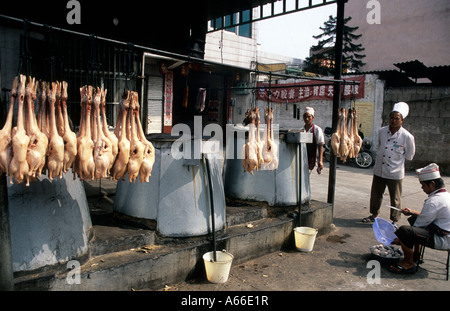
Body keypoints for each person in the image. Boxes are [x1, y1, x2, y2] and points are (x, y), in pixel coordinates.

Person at [389, 163, 450, 274]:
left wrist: (400, 239)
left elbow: (420, 225)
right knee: (413, 218)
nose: (422, 188)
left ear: (432, 184)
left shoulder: (434, 201)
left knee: (404, 231)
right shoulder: (445, 196)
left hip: (443, 239)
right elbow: (426, 216)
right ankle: (417, 254)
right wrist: (411, 212)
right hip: (445, 233)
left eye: (423, 185)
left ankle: (408, 263)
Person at [362, 102, 415, 227]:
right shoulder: (382, 131)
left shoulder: (407, 136)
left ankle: (395, 220)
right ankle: (374, 215)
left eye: (397, 118)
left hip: (395, 172)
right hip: (380, 169)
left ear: (402, 120)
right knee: (376, 194)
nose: (393, 120)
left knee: (395, 198)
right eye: (392, 118)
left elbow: (409, 155)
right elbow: (380, 147)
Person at [301, 107, 325, 174]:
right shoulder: (301, 130)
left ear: (313, 117)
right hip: (302, 158)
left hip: (311, 158)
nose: (307, 119)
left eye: (309, 117)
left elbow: (320, 145)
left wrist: (320, 160)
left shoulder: (317, 130)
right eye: (305, 117)